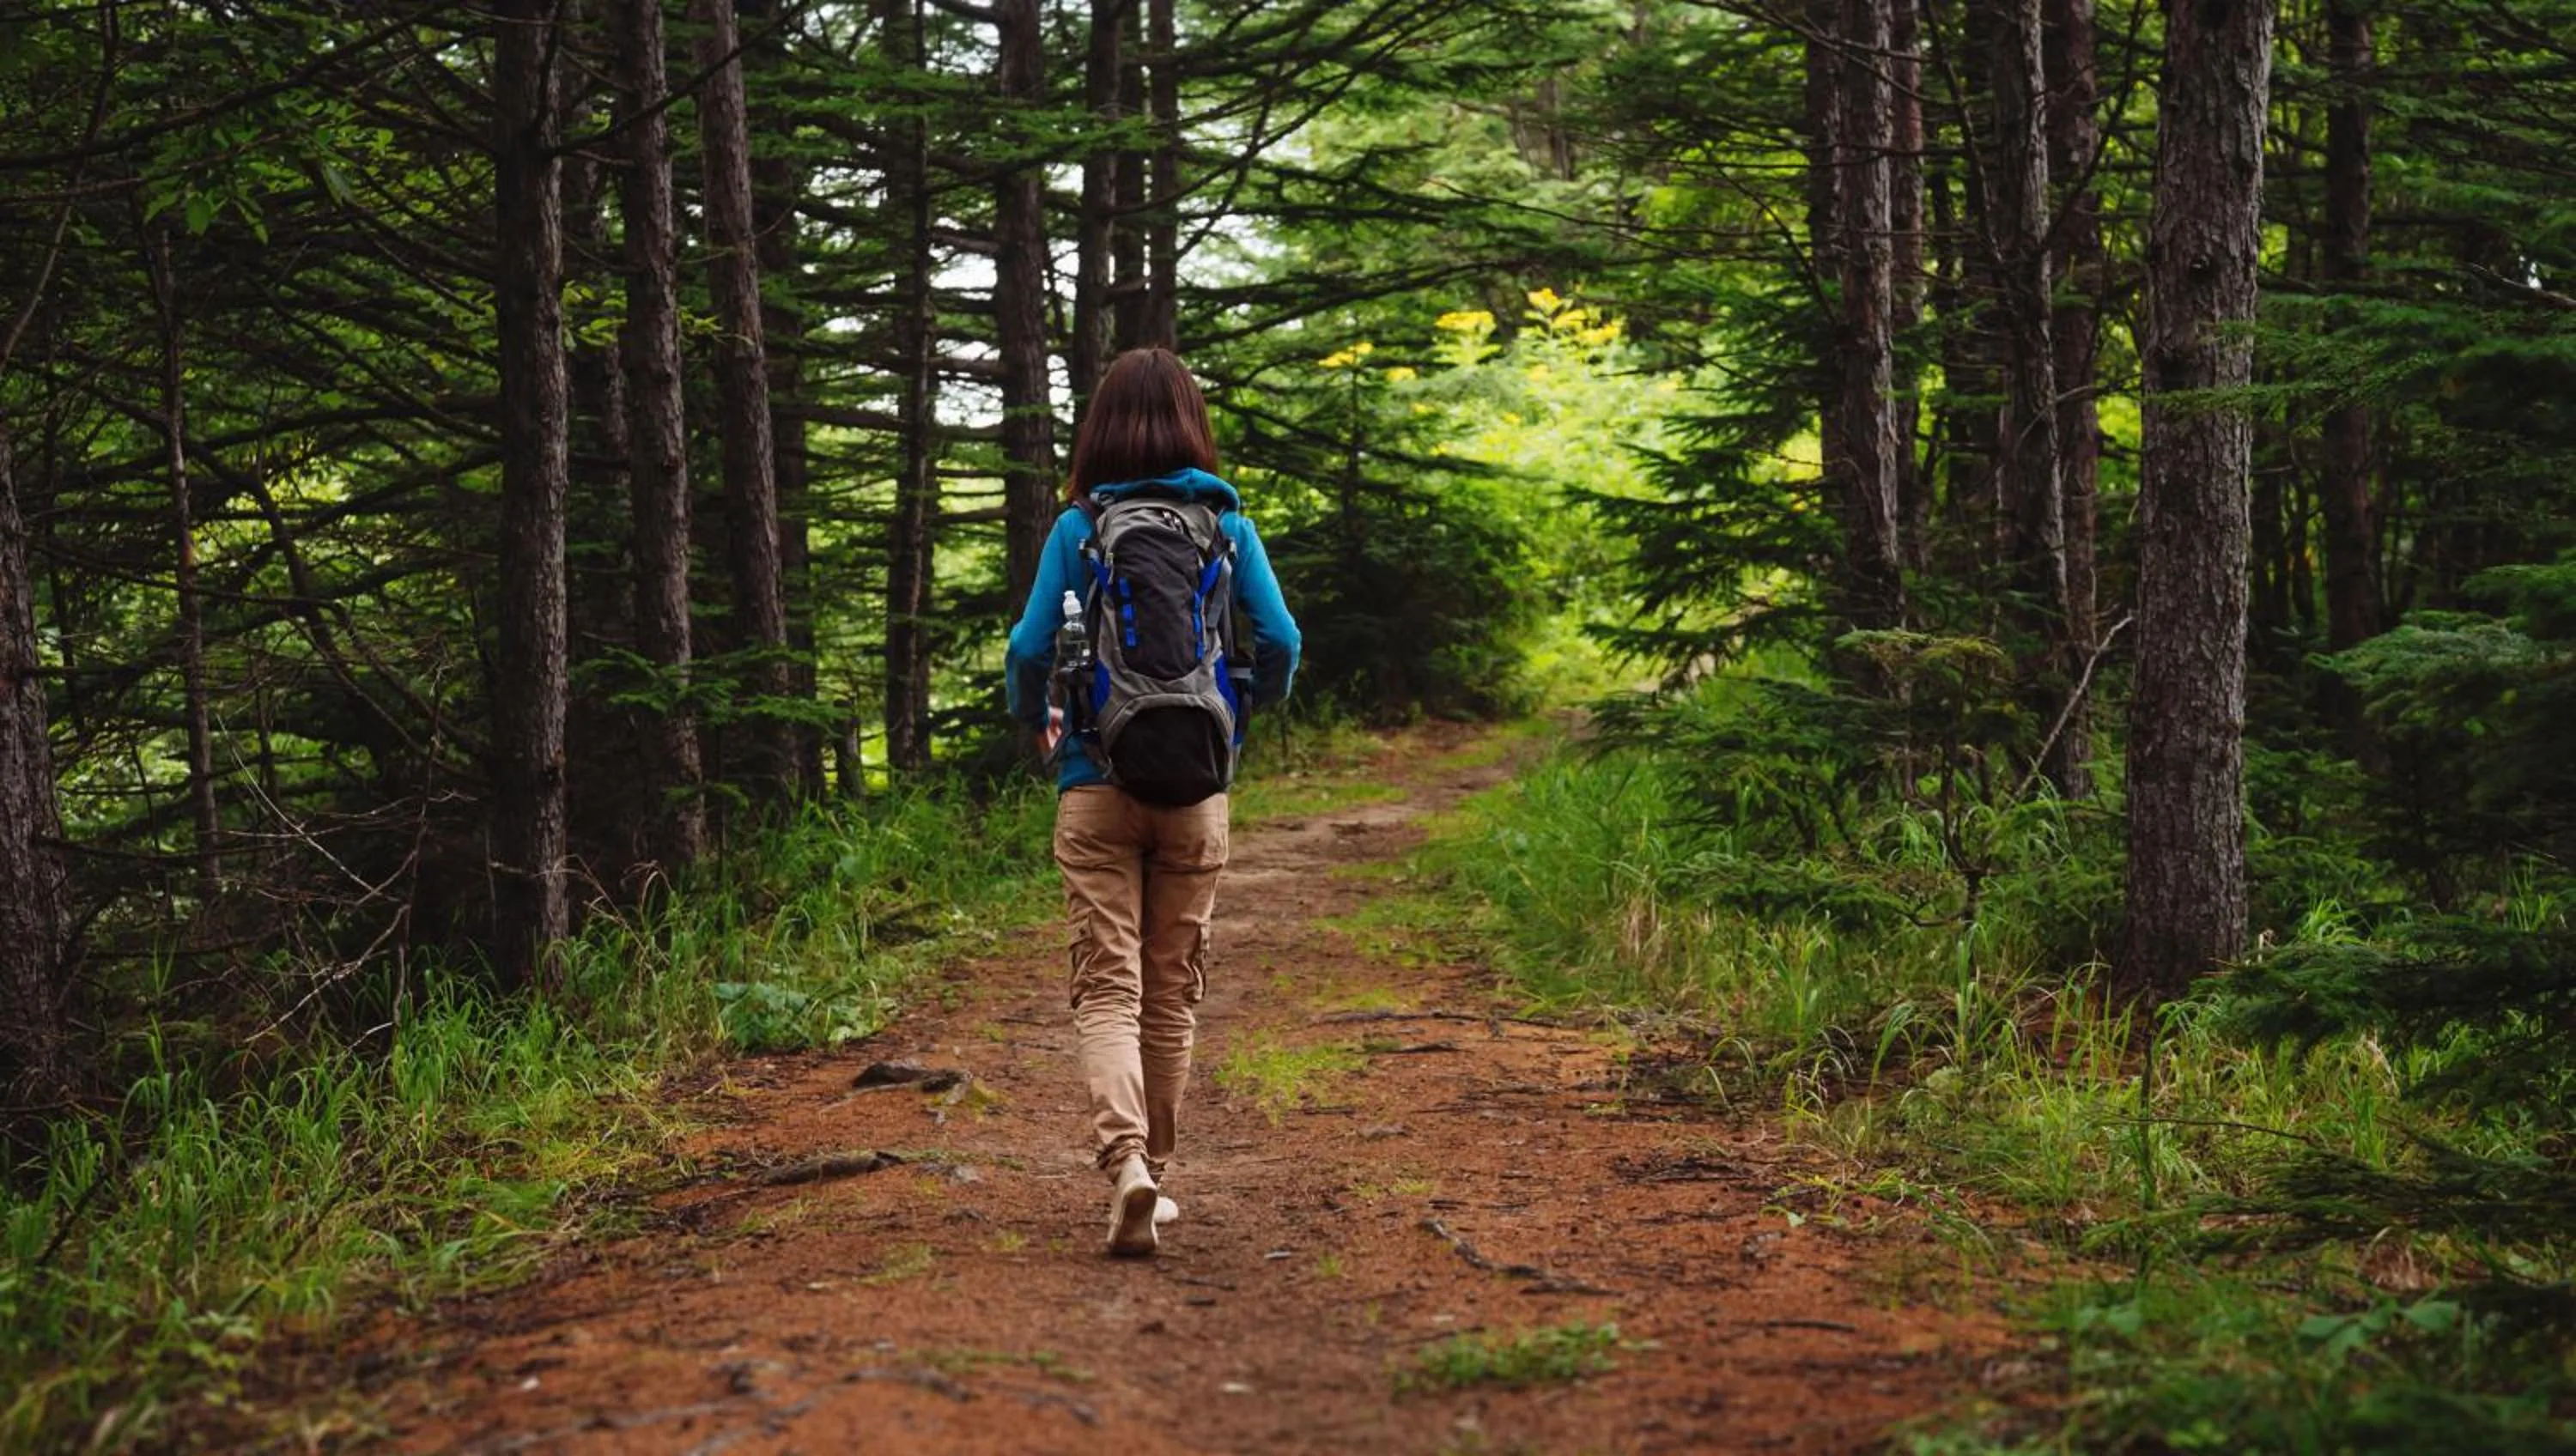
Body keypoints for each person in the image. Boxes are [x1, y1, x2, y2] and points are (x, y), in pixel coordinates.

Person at [1005, 349, 1301, 1257]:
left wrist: (1041, 729)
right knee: (1172, 993)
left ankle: (1125, 1164)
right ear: (1188, 424)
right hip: (1198, 787)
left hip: (1095, 782)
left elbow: (1026, 651)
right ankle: (1157, 1179)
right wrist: (1238, 721)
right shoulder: (1224, 525)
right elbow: (1282, 639)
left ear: (1099, 429)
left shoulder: (1079, 525)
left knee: (1107, 988)